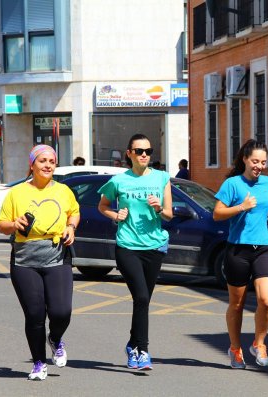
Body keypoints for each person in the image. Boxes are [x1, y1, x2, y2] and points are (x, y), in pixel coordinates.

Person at [0, 144, 80, 381]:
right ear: (32, 164)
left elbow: (74, 212)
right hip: (25, 261)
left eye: (51, 161)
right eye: (42, 161)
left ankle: (55, 338)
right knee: (34, 315)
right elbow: (2, 224)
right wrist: (14, 225)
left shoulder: (64, 191)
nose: (47, 165)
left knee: (61, 311)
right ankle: (39, 362)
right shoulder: (17, 193)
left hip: (57, 256)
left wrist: (71, 226)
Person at [97, 133, 173, 371]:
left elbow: (169, 214)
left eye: (148, 152)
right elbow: (103, 205)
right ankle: (142, 351)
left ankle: (132, 344)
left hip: (154, 247)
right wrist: (115, 215)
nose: (144, 155)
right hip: (127, 246)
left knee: (144, 301)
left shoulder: (162, 178)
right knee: (140, 298)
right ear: (129, 154)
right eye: (139, 151)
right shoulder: (119, 181)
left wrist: (160, 208)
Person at [213, 139, 268, 369]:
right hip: (238, 249)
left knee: (266, 300)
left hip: (263, 247)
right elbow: (217, 214)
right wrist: (241, 207)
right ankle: (235, 349)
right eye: (255, 161)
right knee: (237, 304)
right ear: (244, 159)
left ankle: (259, 344)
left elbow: (267, 206)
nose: (259, 166)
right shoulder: (232, 184)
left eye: (263, 162)